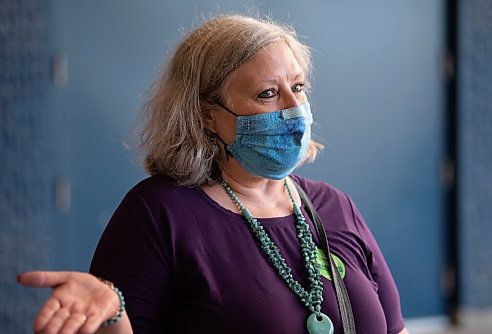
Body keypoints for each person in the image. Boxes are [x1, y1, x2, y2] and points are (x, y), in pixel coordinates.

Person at [18, 14, 409, 334]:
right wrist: (113, 319)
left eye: (298, 87)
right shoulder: (159, 214)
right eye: (267, 94)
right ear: (207, 115)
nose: (294, 109)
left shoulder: (334, 206)